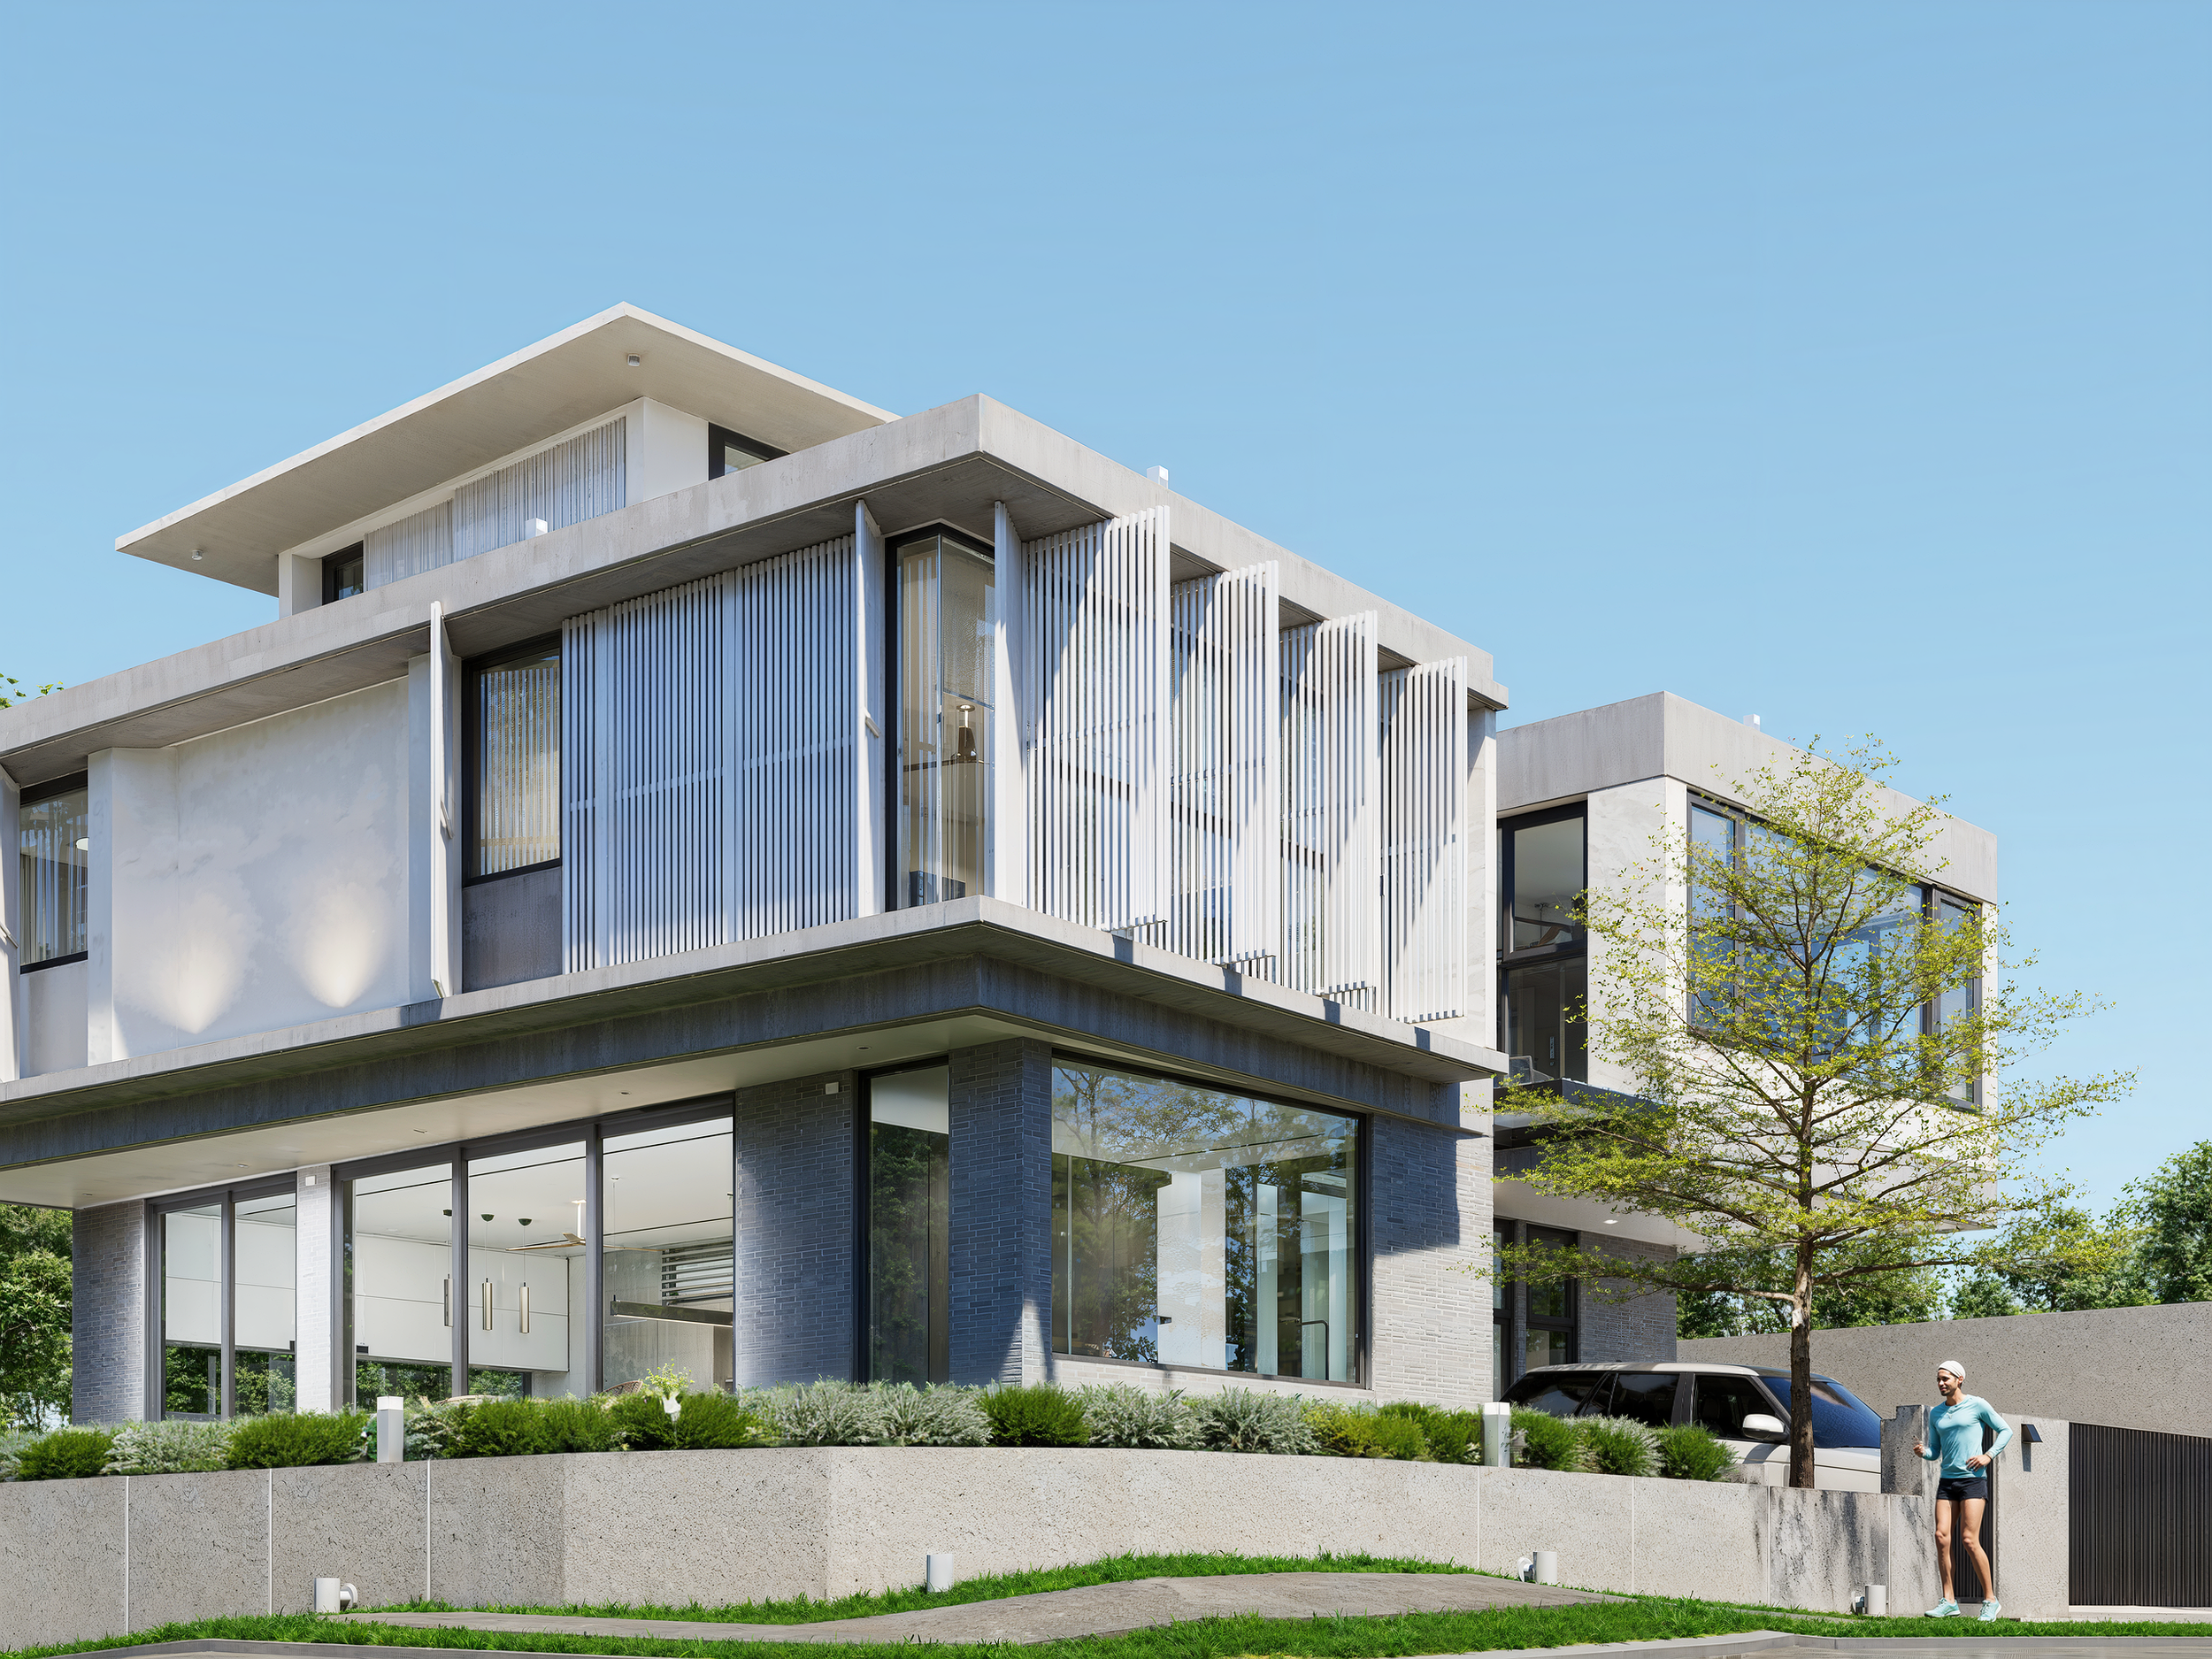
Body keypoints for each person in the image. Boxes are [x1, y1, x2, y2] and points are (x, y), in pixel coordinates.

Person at [1913, 1359, 2011, 1620]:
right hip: (1948, 1481)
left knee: (1969, 1539)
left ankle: (1990, 1600)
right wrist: (1924, 1452)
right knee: (1941, 1536)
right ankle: (1948, 1601)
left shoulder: (1977, 1405)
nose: (1941, 1383)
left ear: (1959, 1380)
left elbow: (2005, 1430)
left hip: (1972, 1480)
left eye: (1946, 1378)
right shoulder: (1935, 1414)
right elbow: (1935, 1451)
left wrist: (1988, 1456)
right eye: (1938, 1379)